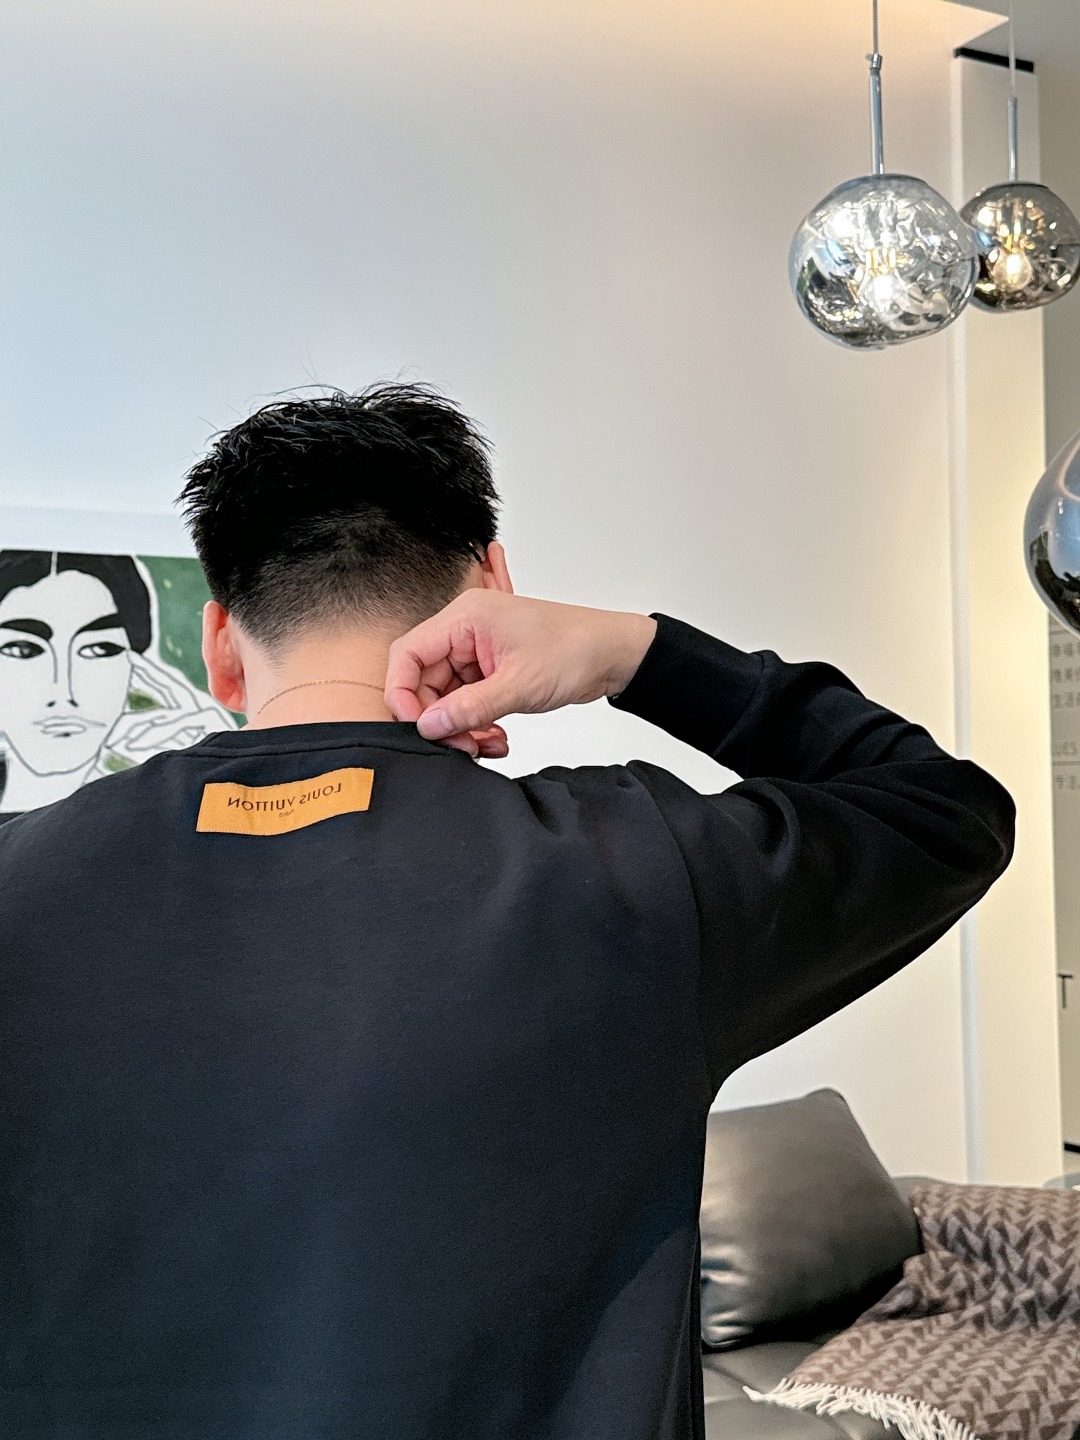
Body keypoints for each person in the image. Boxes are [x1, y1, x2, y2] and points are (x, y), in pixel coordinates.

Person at [0, 384, 1013, 1440]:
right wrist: (636, 652)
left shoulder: (18, 875)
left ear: (219, 641)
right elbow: (944, 810)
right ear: (492, 591)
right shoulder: (629, 868)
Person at [0, 549, 234, 816]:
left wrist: (219, 771)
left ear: (135, 667)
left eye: (99, 649)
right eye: (22, 650)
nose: (64, 691)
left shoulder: (148, 805)